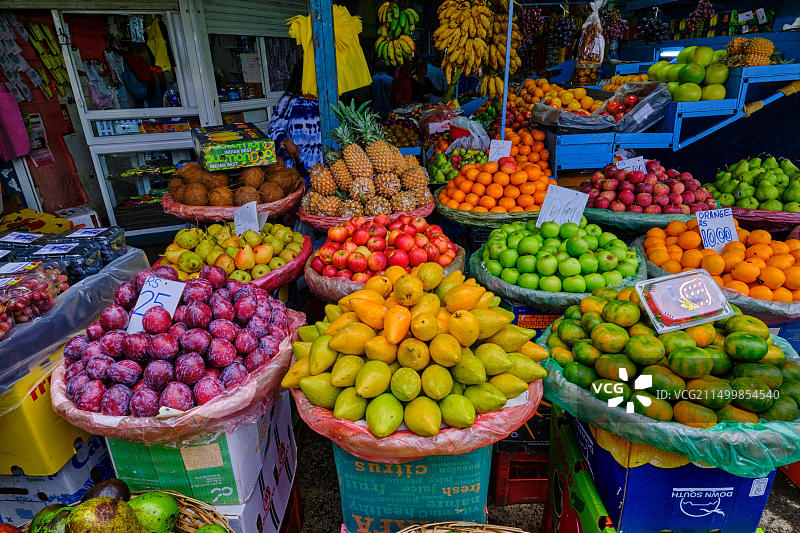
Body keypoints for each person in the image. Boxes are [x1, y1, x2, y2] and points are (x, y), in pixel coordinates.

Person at [267, 62, 322, 177]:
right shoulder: (289, 101)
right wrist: (285, 142)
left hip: (321, 170)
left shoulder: (323, 101)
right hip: (296, 169)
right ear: (301, 79)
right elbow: (273, 130)